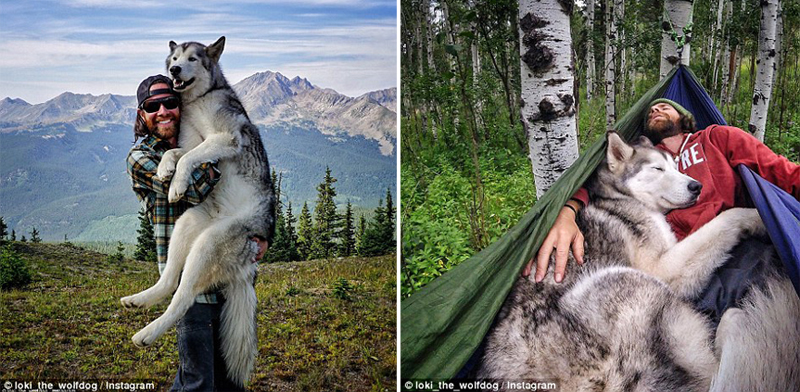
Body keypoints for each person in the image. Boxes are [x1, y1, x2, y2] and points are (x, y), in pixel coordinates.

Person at [524, 98, 800, 318]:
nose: (656, 109)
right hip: (677, 266)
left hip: (739, 254)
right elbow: (602, 181)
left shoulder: (717, 138)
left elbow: (781, 172)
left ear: (683, 116)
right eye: (651, 110)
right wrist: (568, 209)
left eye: (665, 106)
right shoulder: (646, 158)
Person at [127, 75, 267, 391]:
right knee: (199, 382)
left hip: (231, 273)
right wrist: (210, 149)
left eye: (171, 103)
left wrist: (262, 234)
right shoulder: (141, 157)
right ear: (142, 115)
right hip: (193, 290)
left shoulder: (193, 140)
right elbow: (190, 190)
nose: (163, 110)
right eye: (153, 106)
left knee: (229, 380)